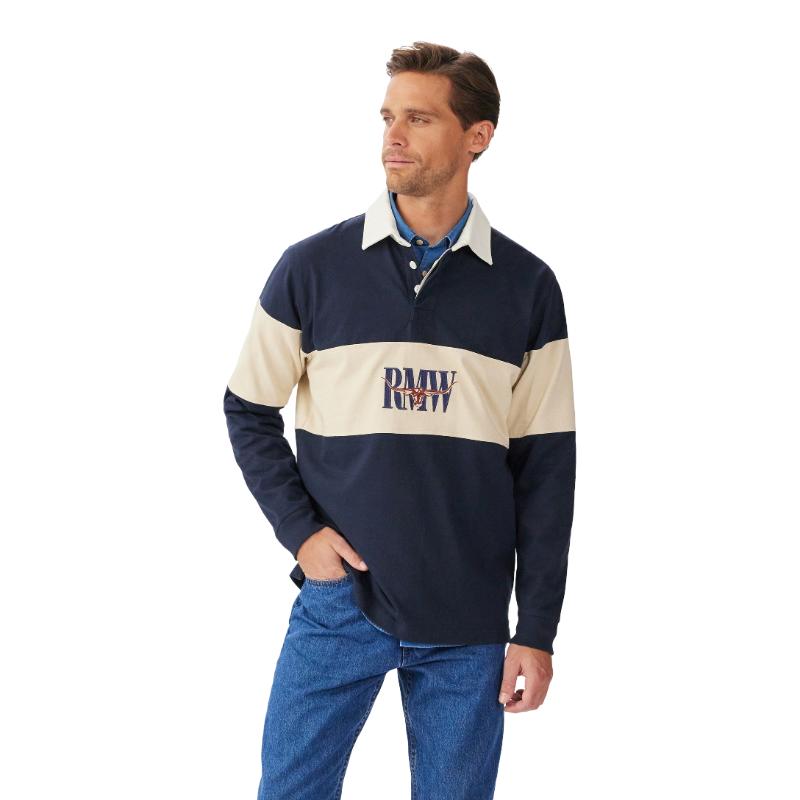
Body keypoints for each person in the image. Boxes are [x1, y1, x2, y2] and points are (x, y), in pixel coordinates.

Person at [224, 40, 577, 800]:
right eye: (388, 117)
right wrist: (302, 534)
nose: (393, 135)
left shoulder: (527, 287)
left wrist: (536, 630)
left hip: (469, 619)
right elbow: (248, 406)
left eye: (419, 118)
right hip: (340, 601)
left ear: (477, 136)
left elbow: (547, 470)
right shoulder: (311, 268)